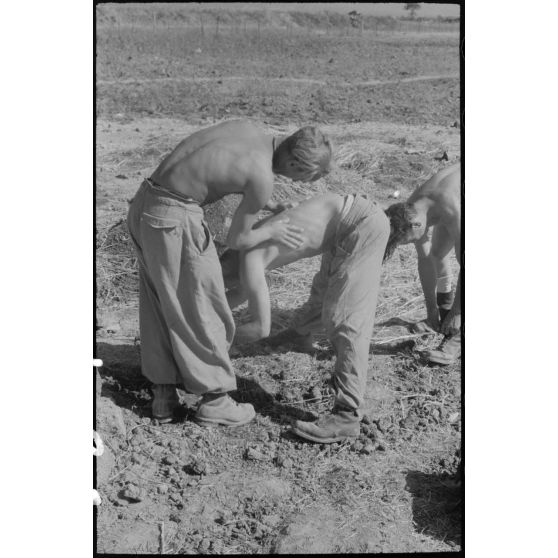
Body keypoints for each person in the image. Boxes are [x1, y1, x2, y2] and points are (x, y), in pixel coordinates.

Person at [126, 120, 332, 425]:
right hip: (175, 219)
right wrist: (271, 231)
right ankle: (215, 399)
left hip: (146, 204)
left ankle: (164, 396)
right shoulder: (262, 177)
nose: (300, 183)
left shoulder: (247, 131)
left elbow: (222, 172)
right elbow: (238, 240)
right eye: (303, 176)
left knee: (160, 299)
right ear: (292, 161)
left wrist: (268, 204)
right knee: (205, 305)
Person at [220, 192, 390, 443]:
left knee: (346, 318)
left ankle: (346, 416)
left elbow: (260, 328)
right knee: (323, 293)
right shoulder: (245, 246)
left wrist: (213, 341)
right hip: (347, 220)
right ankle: (300, 336)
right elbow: (226, 300)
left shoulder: (251, 259)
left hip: (362, 224)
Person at [384, 163, 461, 365]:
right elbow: (426, 261)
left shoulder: (453, 209)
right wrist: (432, 311)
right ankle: (444, 313)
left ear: (417, 225)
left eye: (408, 240)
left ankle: (458, 337)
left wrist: (457, 313)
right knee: (436, 255)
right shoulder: (410, 209)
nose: (411, 243)